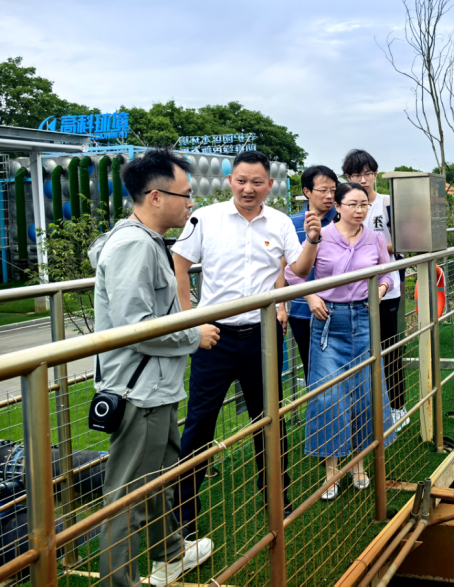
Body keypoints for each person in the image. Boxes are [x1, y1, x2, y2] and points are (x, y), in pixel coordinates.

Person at [171, 150, 322, 536]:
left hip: (263, 336)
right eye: (241, 181)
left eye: (257, 182)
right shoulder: (205, 218)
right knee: (199, 424)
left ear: (269, 185)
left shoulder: (280, 222)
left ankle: (277, 495)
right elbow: (180, 264)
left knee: (269, 419)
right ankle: (184, 512)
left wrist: (312, 240)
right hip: (214, 338)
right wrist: (191, 322)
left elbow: (299, 270)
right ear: (229, 181)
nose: (248, 188)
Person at [89, 149, 220, 587]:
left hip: (155, 388)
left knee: (160, 478)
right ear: (156, 197)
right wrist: (193, 335)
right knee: (127, 497)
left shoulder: (143, 240)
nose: (191, 203)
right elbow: (136, 327)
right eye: (185, 195)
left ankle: (171, 552)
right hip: (138, 391)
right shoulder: (133, 245)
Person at [285, 182, 396, 500]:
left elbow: (387, 274)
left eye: (364, 205)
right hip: (328, 323)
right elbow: (294, 275)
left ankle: (359, 465)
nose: (359, 210)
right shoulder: (320, 236)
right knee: (328, 396)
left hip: (363, 321)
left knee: (364, 392)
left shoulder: (375, 238)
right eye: (353, 204)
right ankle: (331, 471)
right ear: (338, 206)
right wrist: (311, 296)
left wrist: (380, 290)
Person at [342, 149, 408, 427]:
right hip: (351, 293)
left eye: (367, 173)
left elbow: (406, 240)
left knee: (389, 347)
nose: (363, 179)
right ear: (347, 177)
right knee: (358, 351)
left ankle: (398, 406)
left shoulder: (388, 204)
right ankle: (363, 409)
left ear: (376, 174)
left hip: (386, 288)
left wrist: (374, 249)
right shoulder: (343, 205)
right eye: (356, 175)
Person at [288, 166, 340, 381]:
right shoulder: (291, 224)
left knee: (344, 370)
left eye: (333, 190)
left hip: (340, 308)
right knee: (313, 372)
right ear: (307, 191)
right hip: (302, 310)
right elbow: (284, 267)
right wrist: (282, 305)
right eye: (323, 190)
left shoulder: (343, 219)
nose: (329, 196)